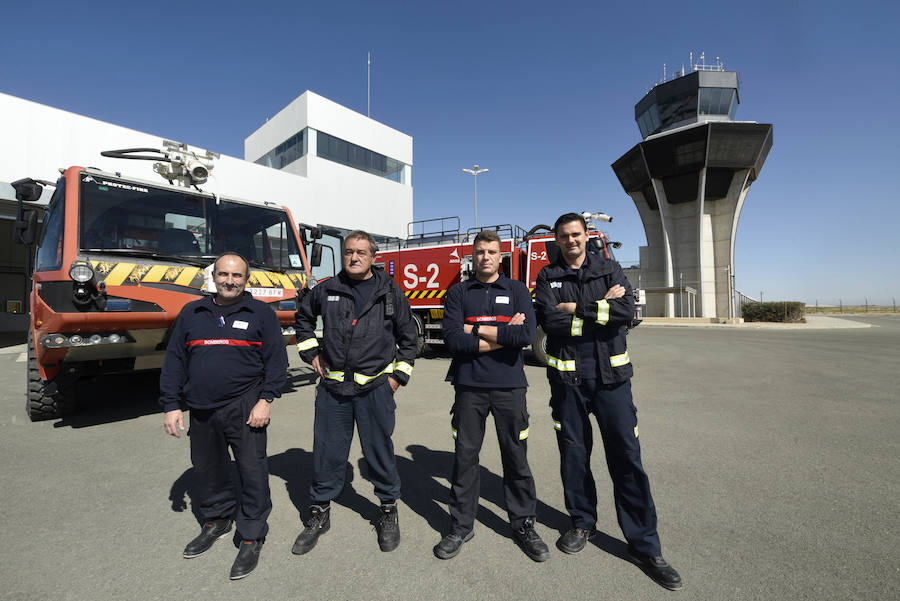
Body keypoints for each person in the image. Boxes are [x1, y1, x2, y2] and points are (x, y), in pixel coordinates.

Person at [534, 213, 683, 591]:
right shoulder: (548, 276)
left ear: (587, 236)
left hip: (612, 382)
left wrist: (575, 309)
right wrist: (601, 309)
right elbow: (550, 322)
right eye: (564, 236)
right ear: (557, 239)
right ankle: (582, 523)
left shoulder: (610, 269)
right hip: (568, 383)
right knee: (574, 456)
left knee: (627, 459)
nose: (571, 240)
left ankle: (645, 546)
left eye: (576, 234)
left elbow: (626, 311)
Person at [160, 252, 287, 581]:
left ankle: (251, 535)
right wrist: (171, 404)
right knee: (208, 468)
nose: (230, 281)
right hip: (201, 406)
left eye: (237, 276)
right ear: (214, 276)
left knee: (252, 470)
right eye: (224, 275)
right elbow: (175, 360)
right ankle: (217, 520)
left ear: (246, 279)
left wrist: (266, 400)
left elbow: (277, 361)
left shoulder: (260, 313)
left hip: (245, 405)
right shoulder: (192, 312)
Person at [293, 230, 416, 554]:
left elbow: (409, 337)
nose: (354, 257)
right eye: (349, 251)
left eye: (361, 252)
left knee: (379, 453)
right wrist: (311, 354)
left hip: (375, 390)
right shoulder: (327, 289)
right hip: (333, 390)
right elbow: (303, 319)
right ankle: (319, 512)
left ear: (373, 257)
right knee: (327, 453)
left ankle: (387, 509)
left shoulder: (390, 292)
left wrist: (397, 379)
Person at [434, 229, 550, 562]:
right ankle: (460, 526)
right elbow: (453, 340)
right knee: (465, 458)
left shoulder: (516, 290)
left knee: (516, 458)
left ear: (501, 257)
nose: (485, 257)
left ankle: (523, 524)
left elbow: (524, 335)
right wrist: (502, 336)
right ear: (473, 256)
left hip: (510, 387)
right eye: (480, 252)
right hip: (469, 387)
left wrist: (474, 328)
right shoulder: (458, 292)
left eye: (492, 252)